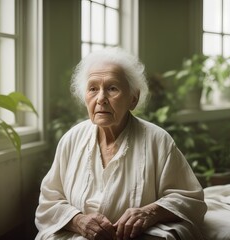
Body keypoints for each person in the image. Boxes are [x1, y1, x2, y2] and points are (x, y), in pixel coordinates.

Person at [35, 47, 207, 240]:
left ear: (133, 99)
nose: (101, 99)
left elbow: (190, 199)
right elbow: (49, 201)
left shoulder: (157, 140)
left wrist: (149, 213)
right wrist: (78, 221)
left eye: (112, 88)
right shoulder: (72, 139)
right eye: (93, 89)